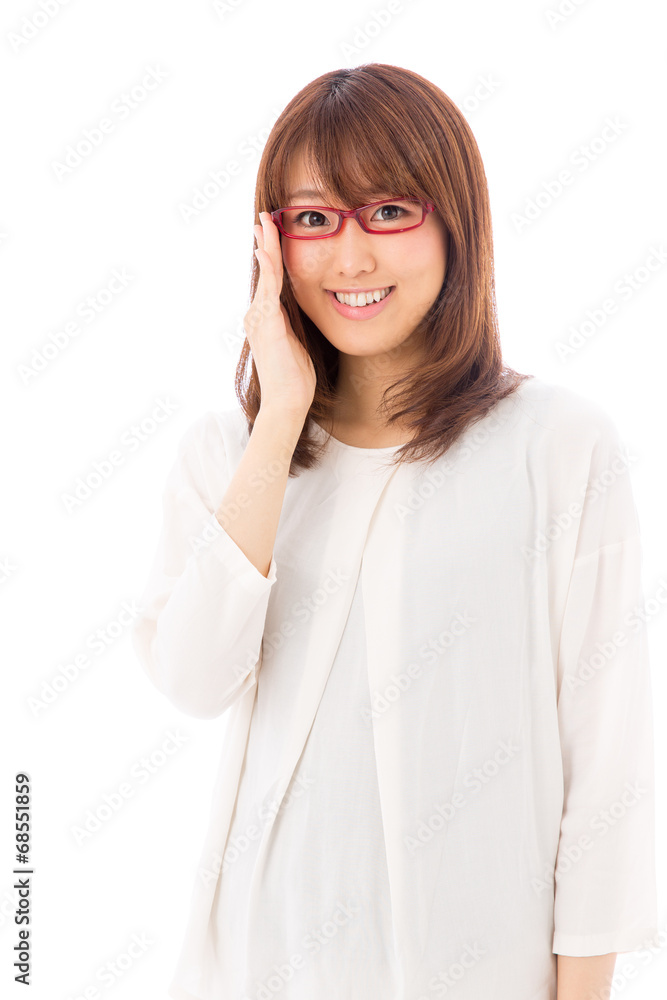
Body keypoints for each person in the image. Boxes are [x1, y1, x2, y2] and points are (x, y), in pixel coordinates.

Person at [131, 63, 658, 1000]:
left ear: (456, 222)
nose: (349, 258)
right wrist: (282, 409)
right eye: (312, 219)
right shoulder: (228, 455)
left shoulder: (559, 446)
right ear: (269, 241)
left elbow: (608, 768)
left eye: (387, 212)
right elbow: (192, 677)